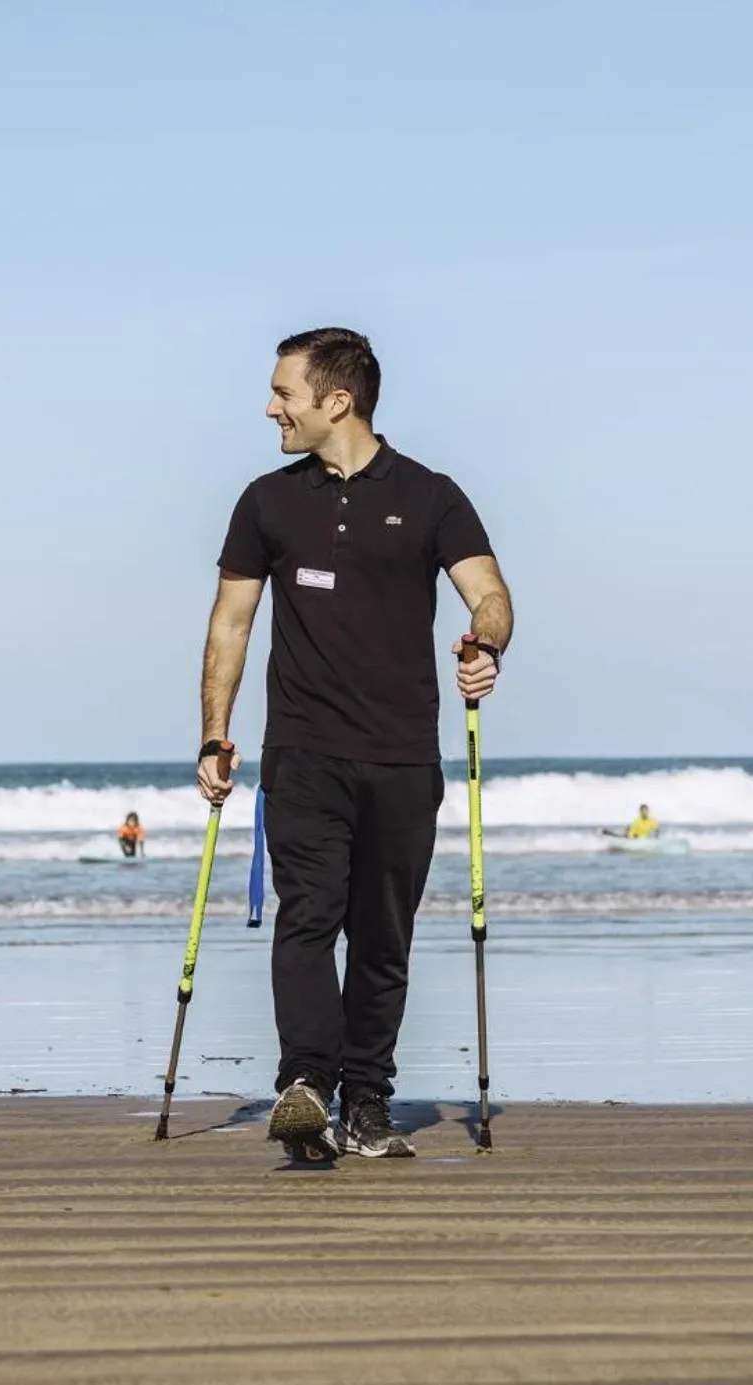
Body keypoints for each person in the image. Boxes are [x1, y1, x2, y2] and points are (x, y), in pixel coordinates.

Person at [196, 328, 513, 1161]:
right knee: (307, 915)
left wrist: (486, 644)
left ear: (337, 401)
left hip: (405, 756)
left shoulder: (433, 495)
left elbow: (490, 593)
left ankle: (367, 1099)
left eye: (284, 393)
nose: (271, 407)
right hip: (301, 750)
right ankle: (305, 1082)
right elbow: (231, 624)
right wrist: (214, 733)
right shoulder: (266, 501)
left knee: (382, 935)